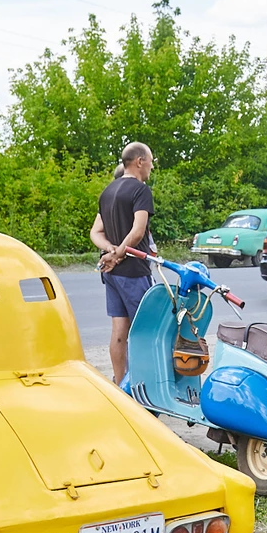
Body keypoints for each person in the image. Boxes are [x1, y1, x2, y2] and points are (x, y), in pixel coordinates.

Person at [91, 142, 157, 384]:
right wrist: (118, 253)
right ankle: (143, 385)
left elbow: (95, 232)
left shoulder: (107, 191)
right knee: (143, 330)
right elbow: (138, 232)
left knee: (119, 331)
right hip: (134, 271)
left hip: (111, 273)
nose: (152, 166)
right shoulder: (141, 191)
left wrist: (109, 250)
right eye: (150, 161)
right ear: (139, 161)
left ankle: (120, 385)